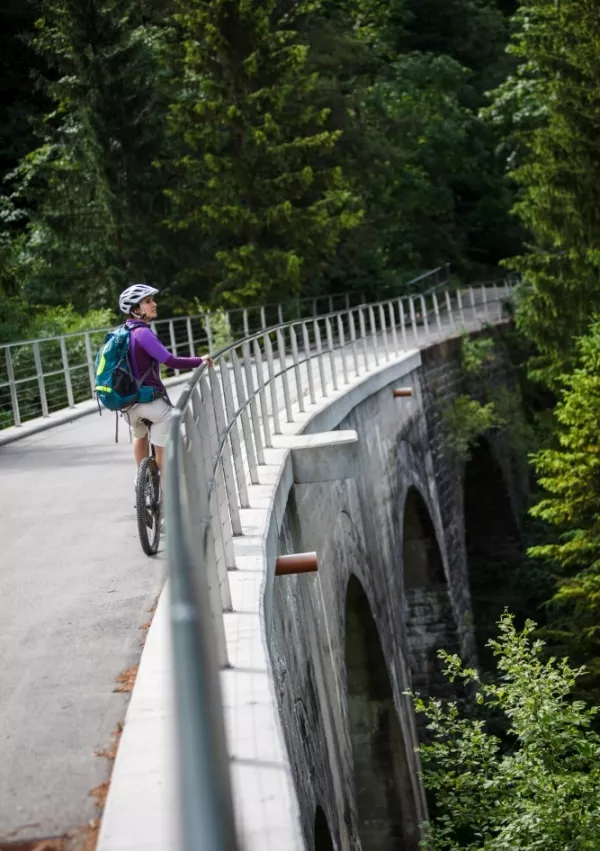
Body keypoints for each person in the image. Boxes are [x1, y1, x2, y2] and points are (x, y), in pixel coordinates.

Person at [118, 283, 213, 478]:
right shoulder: (143, 333)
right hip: (150, 405)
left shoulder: (122, 334)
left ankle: (142, 482)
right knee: (166, 440)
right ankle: (167, 494)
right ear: (136, 310)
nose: (154, 304)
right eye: (148, 301)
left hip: (127, 406)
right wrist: (199, 361)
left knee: (140, 433)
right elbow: (169, 360)